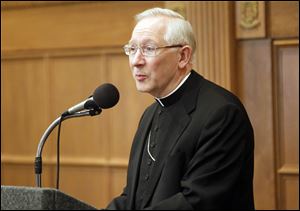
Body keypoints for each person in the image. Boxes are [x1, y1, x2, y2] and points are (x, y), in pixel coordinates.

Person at [106, 7, 255, 210]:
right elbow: (132, 197)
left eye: (148, 49)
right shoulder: (150, 114)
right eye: (132, 49)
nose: (136, 61)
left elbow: (197, 202)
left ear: (183, 56)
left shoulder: (221, 113)